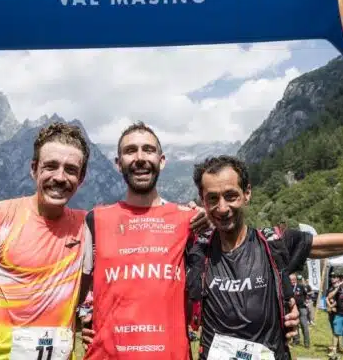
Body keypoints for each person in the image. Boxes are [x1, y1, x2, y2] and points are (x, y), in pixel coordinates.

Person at [187, 125, 343, 360]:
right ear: (202, 200)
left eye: (231, 196)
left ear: (247, 193)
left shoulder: (275, 243)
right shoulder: (195, 248)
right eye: (212, 199)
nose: (222, 208)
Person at [80, 121, 300, 360]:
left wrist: (281, 308)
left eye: (148, 150)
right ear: (118, 163)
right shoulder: (95, 220)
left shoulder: (191, 221)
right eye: (130, 150)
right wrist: (81, 318)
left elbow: (237, 260)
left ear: (162, 161)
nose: (140, 157)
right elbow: (73, 286)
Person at [0, 122, 94, 359]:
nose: (60, 177)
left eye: (70, 170)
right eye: (50, 166)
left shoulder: (88, 226)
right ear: (34, 169)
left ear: (81, 178)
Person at [290, 274, 310, 348]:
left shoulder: (301, 286)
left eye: (293, 280)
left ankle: (307, 343)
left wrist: (305, 301)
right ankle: (296, 340)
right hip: (292, 308)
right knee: (295, 325)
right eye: (290, 280)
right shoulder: (288, 287)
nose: (291, 281)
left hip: (301, 308)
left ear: (295, 280)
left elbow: (306, 294)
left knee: (304, 325)